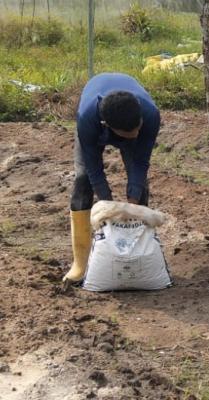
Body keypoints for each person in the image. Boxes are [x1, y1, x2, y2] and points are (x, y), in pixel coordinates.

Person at [63, 73, 161, 282]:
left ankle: (139, 254)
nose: (136, 134)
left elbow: (140, 162)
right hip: (94, 125)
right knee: (83, 180)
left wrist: (132, 207)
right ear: (106, 124)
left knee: (139, 184)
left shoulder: (150, 114)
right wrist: (108, 208)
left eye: (138, 128)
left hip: (129, 120)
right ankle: (80, 263)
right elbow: (94, 168)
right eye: (129, 133)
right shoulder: (88, 119)